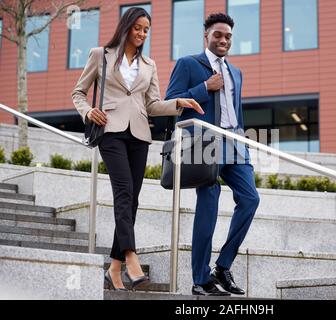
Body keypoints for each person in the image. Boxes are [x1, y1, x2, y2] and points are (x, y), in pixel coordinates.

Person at [72, 7, 203, 291]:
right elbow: (78, 92)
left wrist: (179, 103)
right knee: (123, 192)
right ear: (127, 26)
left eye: (146, 30)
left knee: (133, 200)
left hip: (140, 135)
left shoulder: (149, 65)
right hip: (110, 131)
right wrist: (88, 111)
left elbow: (153, 104)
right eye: (138, 28)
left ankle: (114, 268)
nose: (142, 34)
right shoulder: (100, 55)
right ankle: (131, 255)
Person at [166, 13, 260, 296]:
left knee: (250, 198)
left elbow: (236, 112)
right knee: (208, 204)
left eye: (228, 36)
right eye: (218, 35)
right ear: (206, 37)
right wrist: (205, 88)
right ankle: (200, 278)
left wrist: (243, 141)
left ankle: (223, 265)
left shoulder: (236, 72)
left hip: (234, 142)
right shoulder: (189, 64)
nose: (223, 40)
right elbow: (172, 103)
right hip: (204, 143)